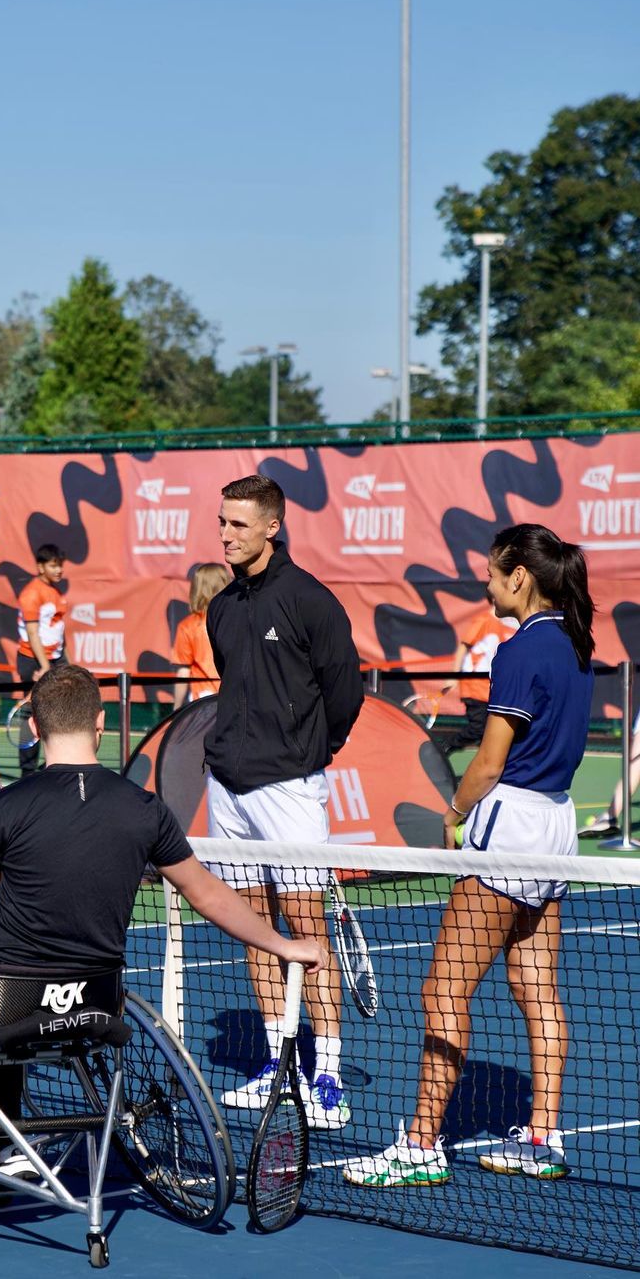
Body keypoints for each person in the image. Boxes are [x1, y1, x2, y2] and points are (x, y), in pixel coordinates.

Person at [0, 664, 327, 1180]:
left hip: (11, 1002)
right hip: (100, 1002)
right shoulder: (144, 808)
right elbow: (207, 893)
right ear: (101, 724)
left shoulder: (6, 807)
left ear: (34, 727)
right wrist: (282, 944)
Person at [344, 523, 594, 1187]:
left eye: (490, 572)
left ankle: (421, 1144)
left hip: (508, 826)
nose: (483, 583)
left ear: (519, 576)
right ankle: (544, 1135)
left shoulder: (518, 652)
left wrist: (452, 815)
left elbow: (488, 762)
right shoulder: (574, 643)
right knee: (535, 986)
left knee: (442, 989)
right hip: (557, 829)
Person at [203, 474, 363, 1129]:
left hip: (290, 790)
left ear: (273, 526)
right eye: (222, 521)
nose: (225, 534)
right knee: (251, 927)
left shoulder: (310, 601)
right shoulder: (221, 607)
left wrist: (309, 755)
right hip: (227, 789)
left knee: (306, 928)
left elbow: (344, 690)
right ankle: (276, 1064)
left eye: (238, 524)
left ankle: (326, 1073)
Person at [436, 605, 518, 754]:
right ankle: (443, 747)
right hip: (474, 686)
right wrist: (454, 675)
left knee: (491, 735)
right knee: (478, 728)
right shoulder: (483, 620)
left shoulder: (507, 624)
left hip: (492, 689)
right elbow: (463, 647)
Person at [15, 544, 67, 776]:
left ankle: (54, 765)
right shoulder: (31, 593)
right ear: (40, 566)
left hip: (54, 660)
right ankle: (28, 771)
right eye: (53, 565)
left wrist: (64, 662)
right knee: (31, 711)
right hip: (33, 661)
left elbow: (57, 631)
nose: (59, 570)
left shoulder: (55, 592)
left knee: (56, 711)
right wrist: (44, 667)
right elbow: (33, 634)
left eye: (60, 565)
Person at [171, 562, 228, 708]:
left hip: (203, 701)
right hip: (232, 696)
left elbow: (183, 671)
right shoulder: (235, 620)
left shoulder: (188, 626)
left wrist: (176, 709)